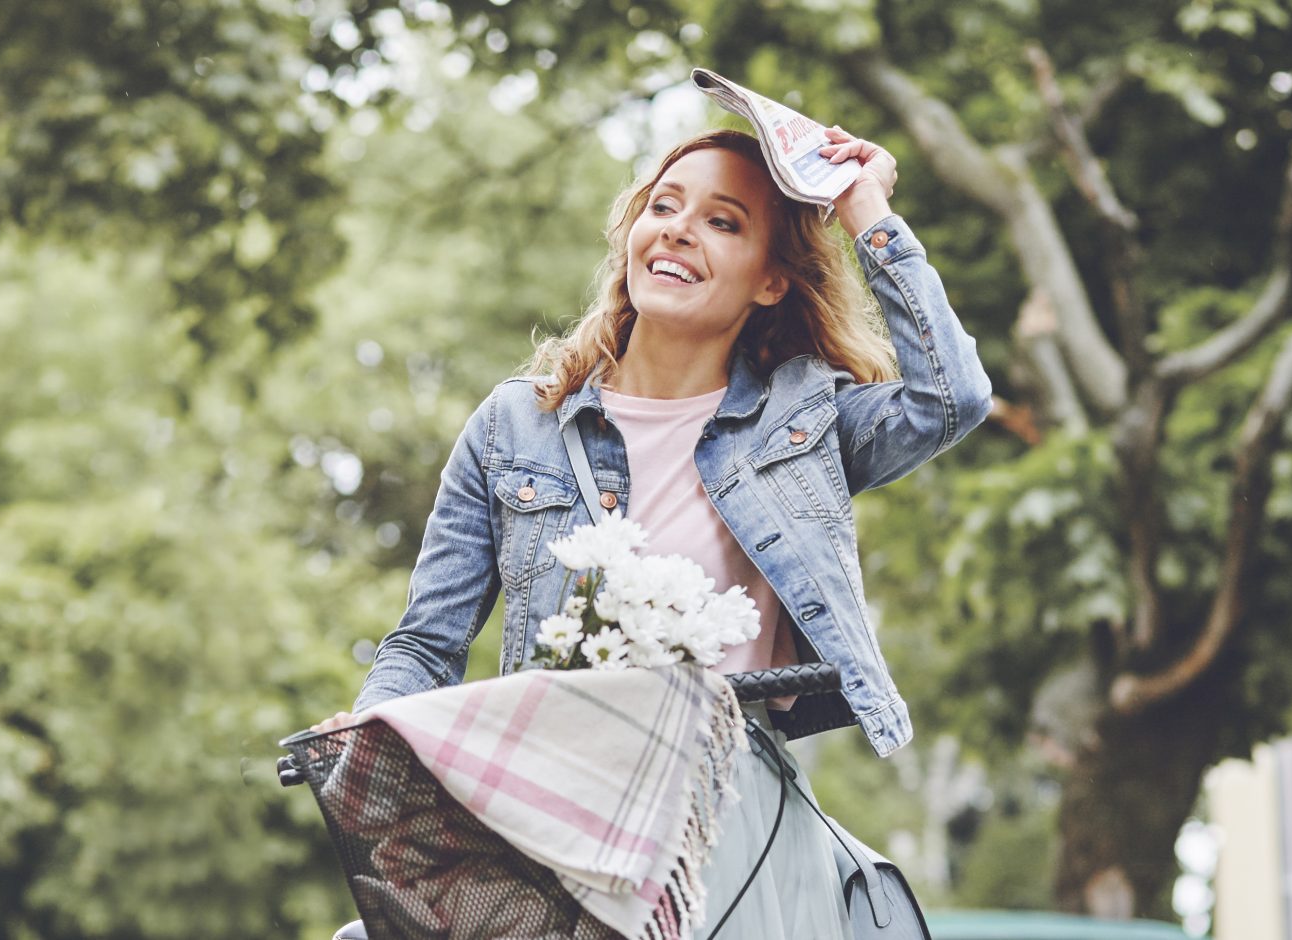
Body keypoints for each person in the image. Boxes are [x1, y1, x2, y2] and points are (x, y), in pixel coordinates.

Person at [312, 124, 993, 938]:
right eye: (663, 206)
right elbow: (425, 646)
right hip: (550, 810)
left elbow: (951, 399)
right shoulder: (514, 427)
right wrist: (366, 731)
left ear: (772, 282)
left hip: (726, 818)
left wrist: (862, 205)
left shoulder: (806, 418)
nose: (677, 227)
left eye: (723, 221)